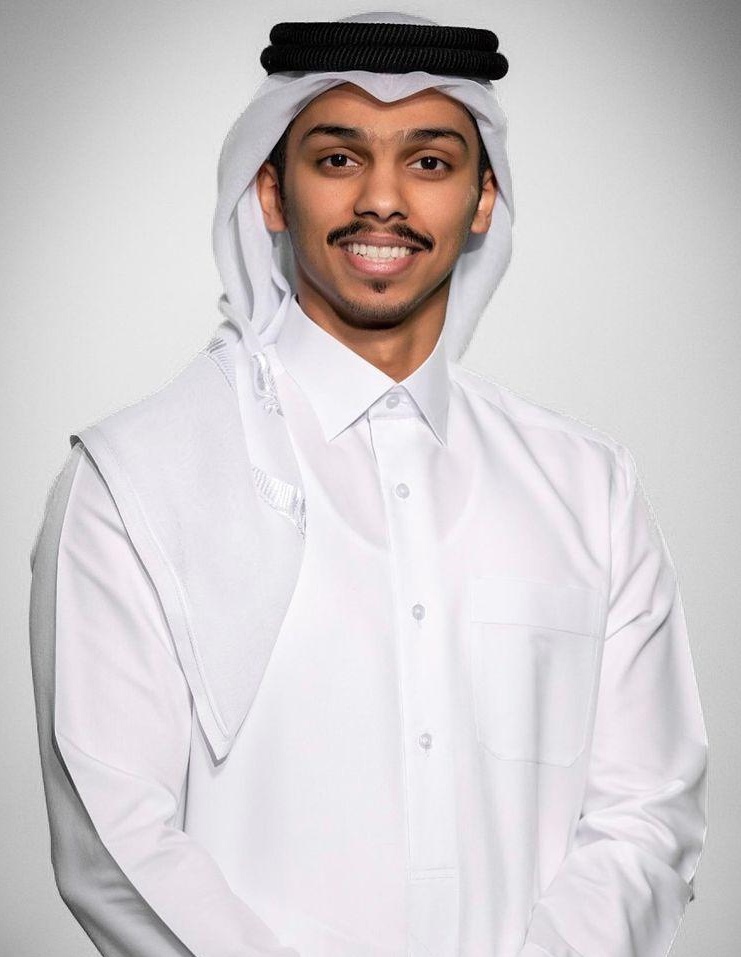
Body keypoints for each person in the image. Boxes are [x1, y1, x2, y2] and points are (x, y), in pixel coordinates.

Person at [28, 12, 708, 957]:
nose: (382, 200)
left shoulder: (588, 488)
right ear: (271, 190)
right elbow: (113, 842)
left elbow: (647, 813)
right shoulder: (133, 483)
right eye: (338, 159)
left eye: (429, 161)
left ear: (481, 199)